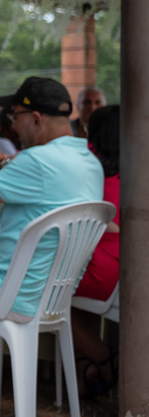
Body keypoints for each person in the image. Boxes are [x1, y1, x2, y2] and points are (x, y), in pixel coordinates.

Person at [0, 76, 104, 412]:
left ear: (35, 119)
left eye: (14, 118)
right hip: (49, 295)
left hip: (7, 291)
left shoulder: (36, 162)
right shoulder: (88, 160)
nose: (13, 126)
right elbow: (27, 180)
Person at [71, 103, 120, 395]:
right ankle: (85, 370)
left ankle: (105, 360)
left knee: (47, 297)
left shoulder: (88, 161)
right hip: (119, 264)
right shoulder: (136, 168)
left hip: (95, 261)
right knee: (76, 300)